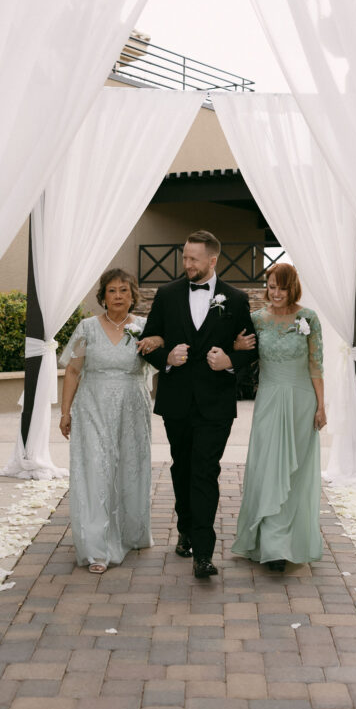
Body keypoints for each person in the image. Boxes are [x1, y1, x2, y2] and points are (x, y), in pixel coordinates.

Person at [140, 230, 257, 579]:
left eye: (193, 258)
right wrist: (167, 358)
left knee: (206, 471)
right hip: (176, 400)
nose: (186, 264)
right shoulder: (167, 294)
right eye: (184, 257)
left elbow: (253, 351)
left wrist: (231, 362)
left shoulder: (235, 299)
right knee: (182, 467)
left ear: (212, 260)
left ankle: (203, 554)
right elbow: (147, 342)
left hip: (216, 404)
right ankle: (186, 529)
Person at [231, 262, 326, 571]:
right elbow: (243, 355)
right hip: (270, 398)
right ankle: (268, 541)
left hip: (302, 399)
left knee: (295, 471)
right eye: (271, 286)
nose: (276, 293)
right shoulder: (257, 320)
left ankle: (286, 543)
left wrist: (321, 406)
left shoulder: (308, 318)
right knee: (267, 466)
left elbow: (316, 365)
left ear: (292, 288)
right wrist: (236, 347)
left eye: (282, 287)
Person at [59, 268, 154, 574]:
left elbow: (159, 363)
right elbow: (73, 371)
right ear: (102, 296)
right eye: (112, 291)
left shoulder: (144, 327)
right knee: (96, 472)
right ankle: (97, 548)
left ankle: (130, 533)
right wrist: (65, 411)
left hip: (132, 410)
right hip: (93, 408)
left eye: (124, 291)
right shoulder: (87, 328)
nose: (117, 296)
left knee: (129, 468)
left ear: (133, 295)